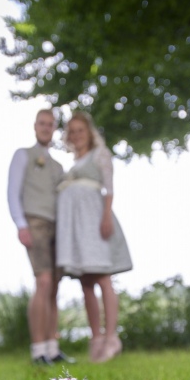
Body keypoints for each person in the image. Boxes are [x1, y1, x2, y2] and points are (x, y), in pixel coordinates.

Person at [56, 111, 133, 363]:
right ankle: (96, 337)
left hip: (95, 220)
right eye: (72, 131)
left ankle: (112, 337)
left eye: (80, 130)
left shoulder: (100, 154)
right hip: (78, 228)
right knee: (85, 281)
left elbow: (109, 188)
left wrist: (106, 216)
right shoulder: (74, 162)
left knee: (102, 277)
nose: (76, 135)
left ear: (89, 132)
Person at [7, 108, 74, 365]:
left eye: (50, 124)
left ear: (54, 128)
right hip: (34, 222)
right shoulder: (23, 155)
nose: (46, 128)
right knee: (43, 282)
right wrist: (20, 223)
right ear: (35, 126)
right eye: (42, 123)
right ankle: (38, 350)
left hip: (58, 228)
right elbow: (12, 191)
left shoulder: (58, 166)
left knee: (55, 287)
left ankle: (52, 348)